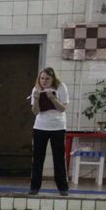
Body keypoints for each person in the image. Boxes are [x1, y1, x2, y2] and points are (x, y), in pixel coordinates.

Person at [29, 66, 70, 196]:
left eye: (47, 78)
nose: (44, 81)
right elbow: (35, 111)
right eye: (42, 78)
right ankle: (34, 187)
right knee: (37, 158)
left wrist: (52, 98)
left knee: (59, 158)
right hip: (40, 127)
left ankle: (62, 188)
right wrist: (36, 99)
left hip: (58, 127)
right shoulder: (36, 89)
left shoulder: (61, 87)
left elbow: (63, 108)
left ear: (53, 79)